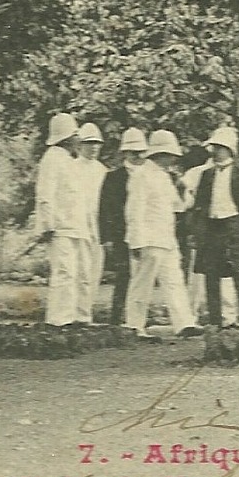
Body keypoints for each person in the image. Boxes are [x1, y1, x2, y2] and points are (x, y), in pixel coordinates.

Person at [123, 129, 202, 338]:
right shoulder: (141, 175)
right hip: (148, 239)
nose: (174, 159)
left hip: (166, 238)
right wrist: (136, 241)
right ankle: (134, 325)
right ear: (160, 154)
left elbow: (177, 206)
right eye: (170, 155)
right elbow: (134, 210)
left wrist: (186, 191)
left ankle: (184, 323)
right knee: (142, 282)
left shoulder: (165, 177)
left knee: (174, 280)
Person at [189, 125, 239, 330]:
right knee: (211, 274)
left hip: (234, 225)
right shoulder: (207, 174)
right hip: (212, 226)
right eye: (214, 147)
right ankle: (215, 321)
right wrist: (198, 229)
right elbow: (199, 205)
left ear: (230, 149)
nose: (216, 151)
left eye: (220, 147)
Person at [36, 111, 93, 326]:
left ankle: (79, 316)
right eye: (75, 135)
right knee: (64, 273)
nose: (78, 139)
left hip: (77, 226)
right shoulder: (51, 159)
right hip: (60, 228)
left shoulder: (71, 161)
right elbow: (45, 195)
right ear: (67, 137)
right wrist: (47, 224)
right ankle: (59, 320)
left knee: (81, 273)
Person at [180, 155, 239, 327]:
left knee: (227, 270)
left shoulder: (233, 172)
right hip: (202, 226)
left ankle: (229, 316)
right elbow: (186, 201)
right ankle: (191, 315)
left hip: (223, 227)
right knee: (198, 273)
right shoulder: (196, 173)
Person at [96, 128, 142, 327]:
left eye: (141, 151)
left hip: (144, 232)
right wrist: (106, 238)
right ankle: (116, 319)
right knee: (124, 275)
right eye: (133, 152)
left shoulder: (149, 175)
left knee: (141, 276)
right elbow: (105, 209)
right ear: (125, 153)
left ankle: (137, 319)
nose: (138, 155)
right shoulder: (113, 177)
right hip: (121, 233)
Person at [75, 122, 109, 321]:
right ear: (80, 145)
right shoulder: (72, 167)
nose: (94, 147)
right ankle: (76, 314)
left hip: (98, 224)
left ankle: (85, 313)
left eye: (97, 143)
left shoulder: (102, 170)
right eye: (89, 143)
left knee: (95, 269)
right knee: (80, 270)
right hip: (78, 223)